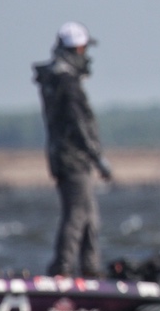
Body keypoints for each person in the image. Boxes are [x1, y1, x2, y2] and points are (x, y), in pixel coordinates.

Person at [33, 21, 113, 277]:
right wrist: (97, 157)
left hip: (63, 156)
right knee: (78, 214)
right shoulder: (66, 81)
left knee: (89, 216)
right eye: (84, 49)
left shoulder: (54, 77)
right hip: (73, 159)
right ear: (78, 49)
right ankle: (63, 268)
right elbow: (78, 123)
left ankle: (90, 269)